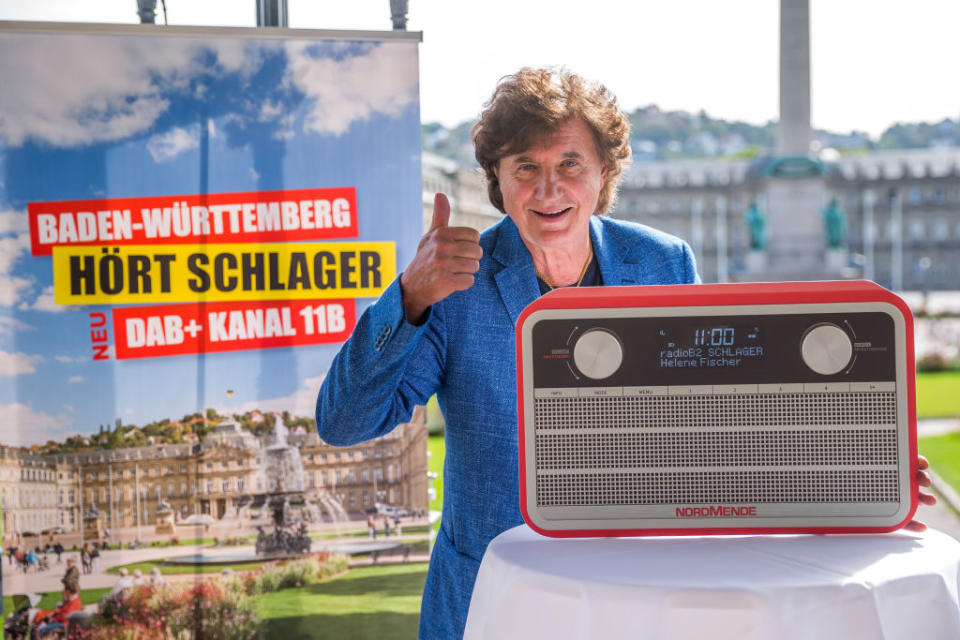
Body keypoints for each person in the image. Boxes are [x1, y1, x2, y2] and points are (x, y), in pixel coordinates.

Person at [315, 68, 936, 639]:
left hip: (639, 597)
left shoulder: (663, 263)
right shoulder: (455, 285)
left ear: (604, 174)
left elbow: (716, 428)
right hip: (495, 597)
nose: (549, 188)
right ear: (497, 181)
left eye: (570, 163)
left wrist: (856, 477)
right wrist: (408, 298)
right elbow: (345, 423)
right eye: (524, 167)